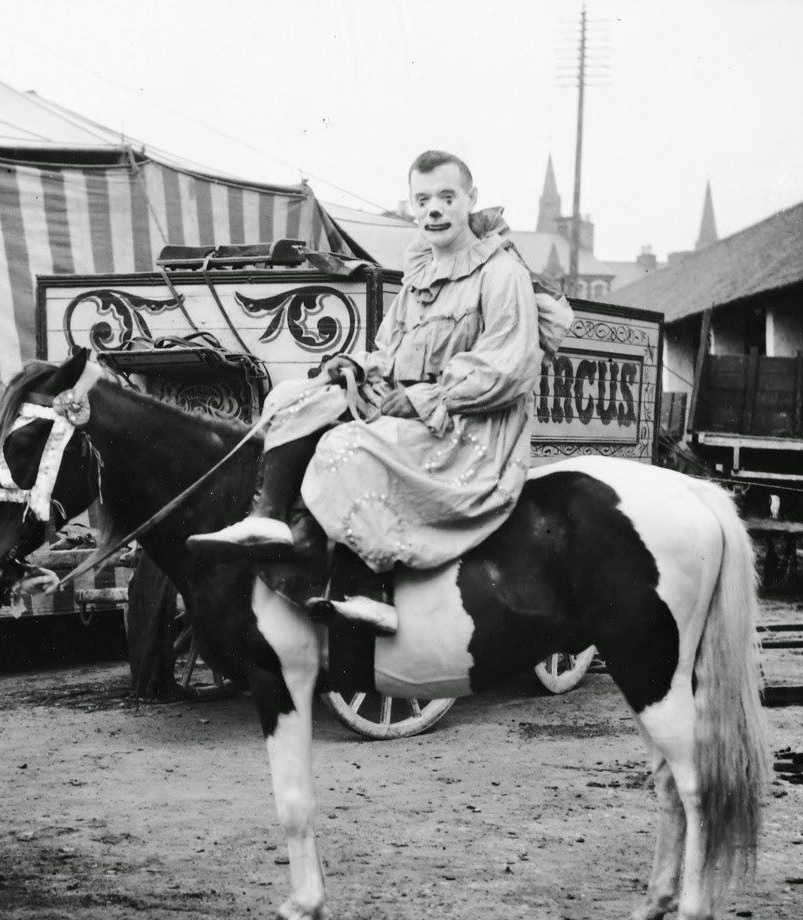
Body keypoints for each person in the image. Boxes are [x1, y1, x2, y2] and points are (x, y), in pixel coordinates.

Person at [190, 151, 573, 634]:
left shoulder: (501, 273)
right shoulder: (418, 278)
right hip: (409, 415)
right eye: (423, 200)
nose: (434, 210)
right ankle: (269, 520)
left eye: (447, 197)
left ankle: (368, 588)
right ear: (413, 207)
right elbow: (388, 354)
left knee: (345, 444)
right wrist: (356, 365)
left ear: (470, 199)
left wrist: (426, 398)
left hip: (468, 431)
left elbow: (508, 368)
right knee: (292, 397)